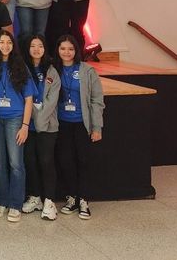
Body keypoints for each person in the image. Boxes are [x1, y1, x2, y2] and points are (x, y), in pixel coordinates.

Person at [54, 34, 104, 220]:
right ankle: (71, 198)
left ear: (76, 51)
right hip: (61, 123)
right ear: (57, 50)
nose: (66, 52)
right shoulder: (53, 70)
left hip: (82, 124)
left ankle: (84, 199)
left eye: (70, 49)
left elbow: (97, 100)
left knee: (83, 161)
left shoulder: (87, 71)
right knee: (66, 161)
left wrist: (96, 126)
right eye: (63, 48)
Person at [0, 30, 34, 223]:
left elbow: (29, 99)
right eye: (1, 42)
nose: (5, 46)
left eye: (9, 42)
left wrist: (25, 126)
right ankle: (2, 201)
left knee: (16, 164)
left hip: (15, 119)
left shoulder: (20, 66)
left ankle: (15, 203)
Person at [21, 33, 60, 221]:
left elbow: (52, 101)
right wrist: (28, 122)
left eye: (40, 46)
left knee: (46, 162)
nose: (37, 50)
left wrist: (38, 120)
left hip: (46, 126)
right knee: (30, 161)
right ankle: (35, 196)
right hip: (28, 127)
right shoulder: (22, 69)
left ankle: (49, 201)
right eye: (33, 46)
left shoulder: (51, 71)